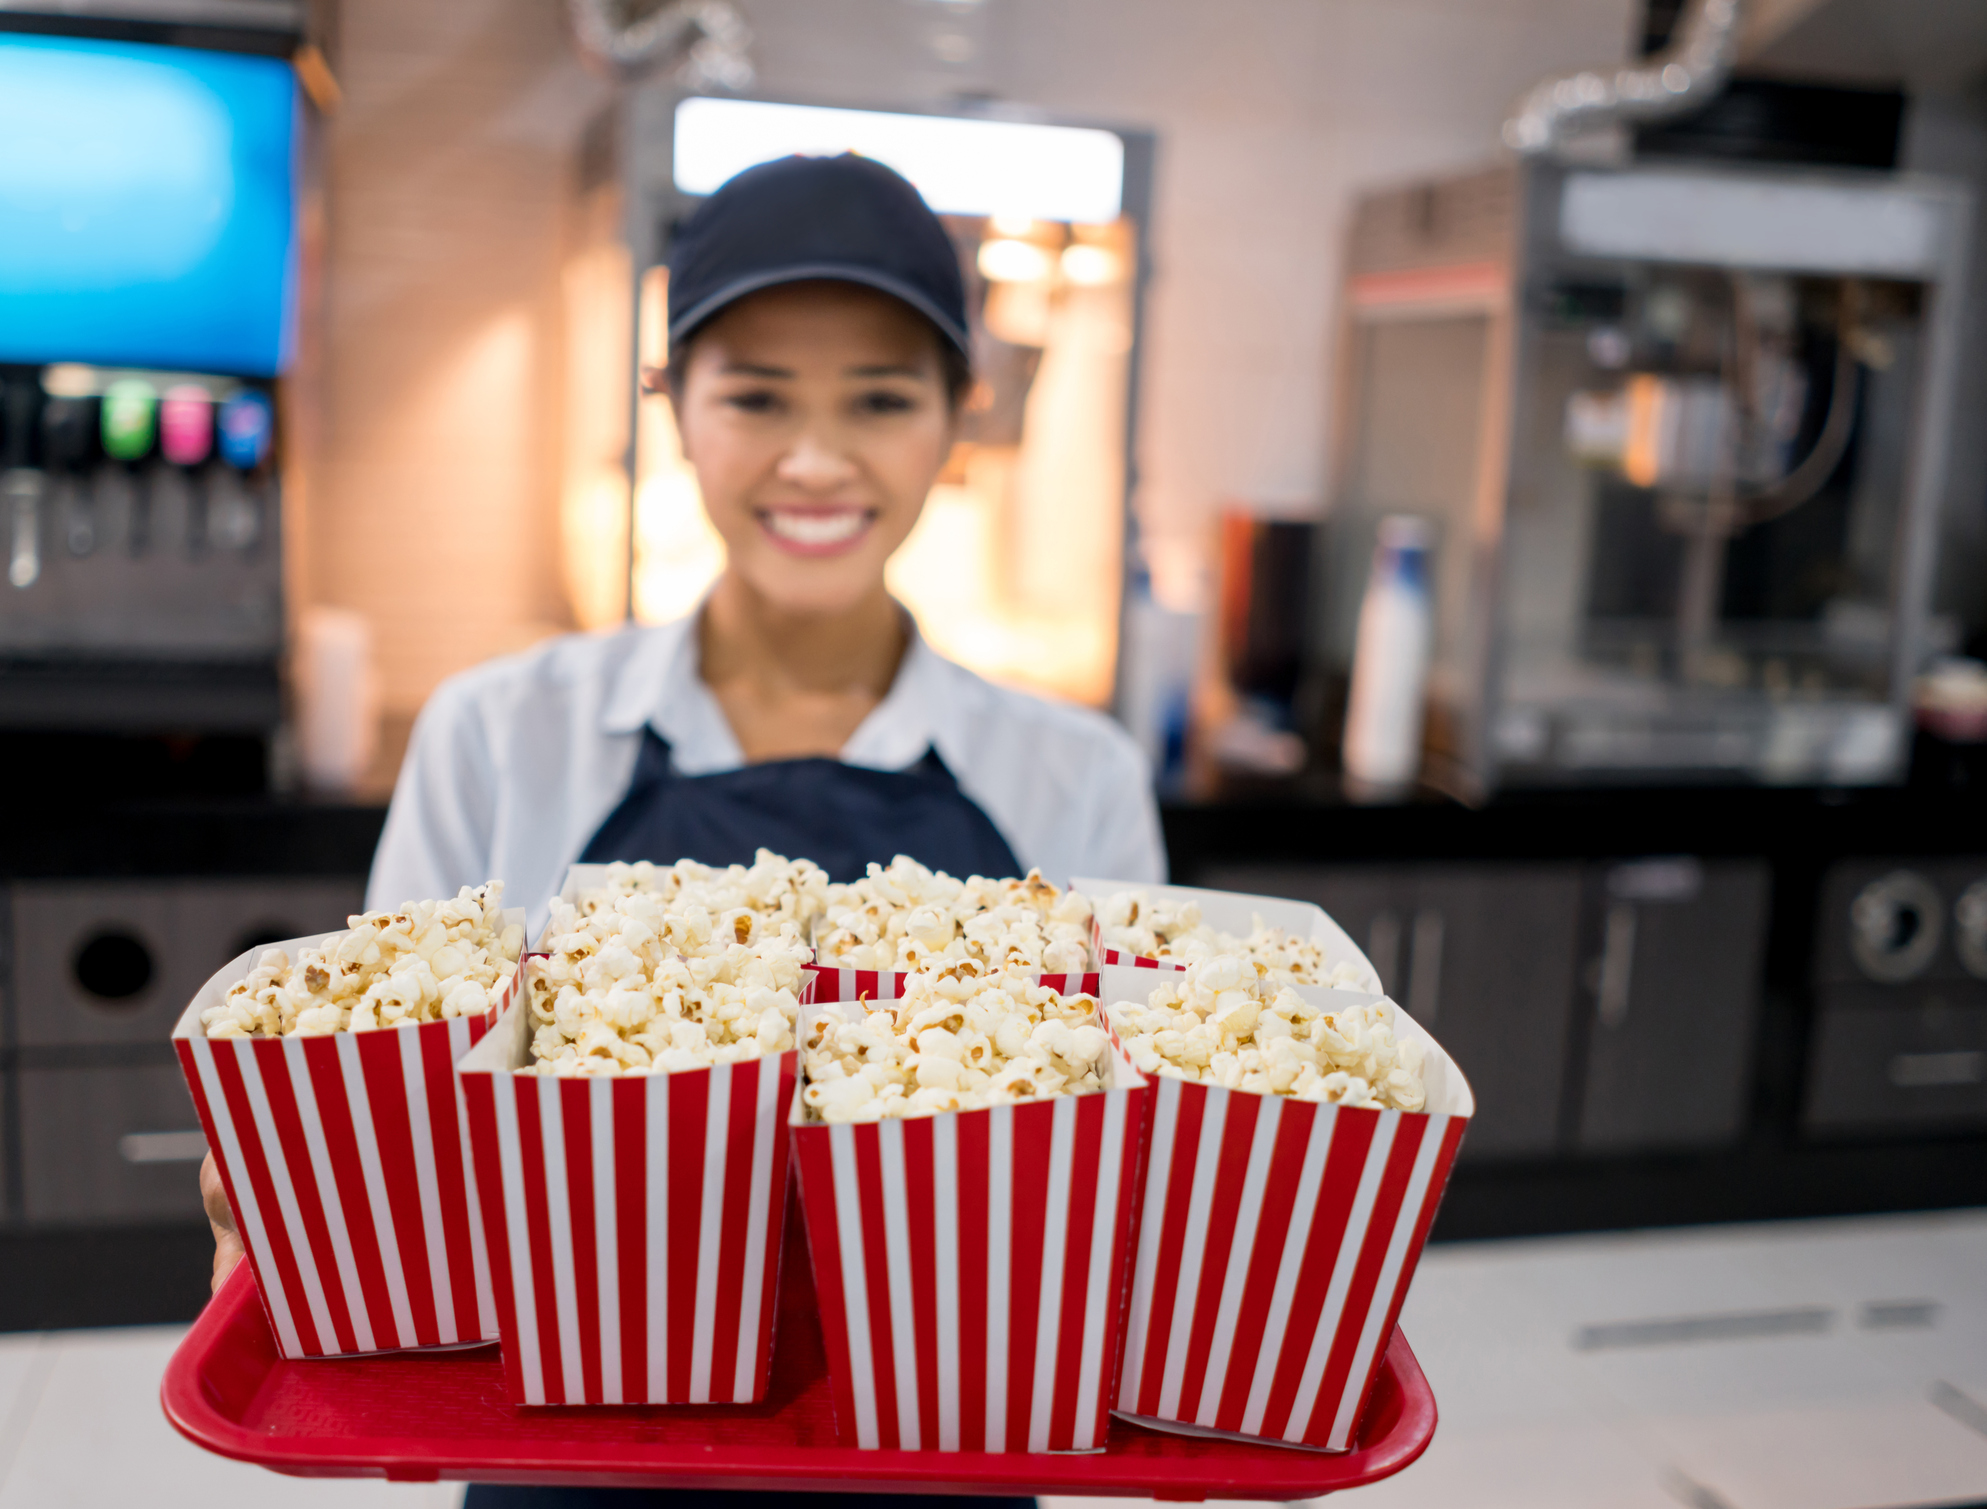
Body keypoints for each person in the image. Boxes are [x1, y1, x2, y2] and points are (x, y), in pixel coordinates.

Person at [202, 153, 1165, 1504]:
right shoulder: (501, 732)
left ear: (961, 415)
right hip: (568, 1437)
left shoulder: (1074, 777)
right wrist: (313, 1185)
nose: (815, 459)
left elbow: (1122, 1167)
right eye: (756, 395)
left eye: (881, 399)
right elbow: (388, 1078)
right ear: (674, 408)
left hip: (947, 1430)